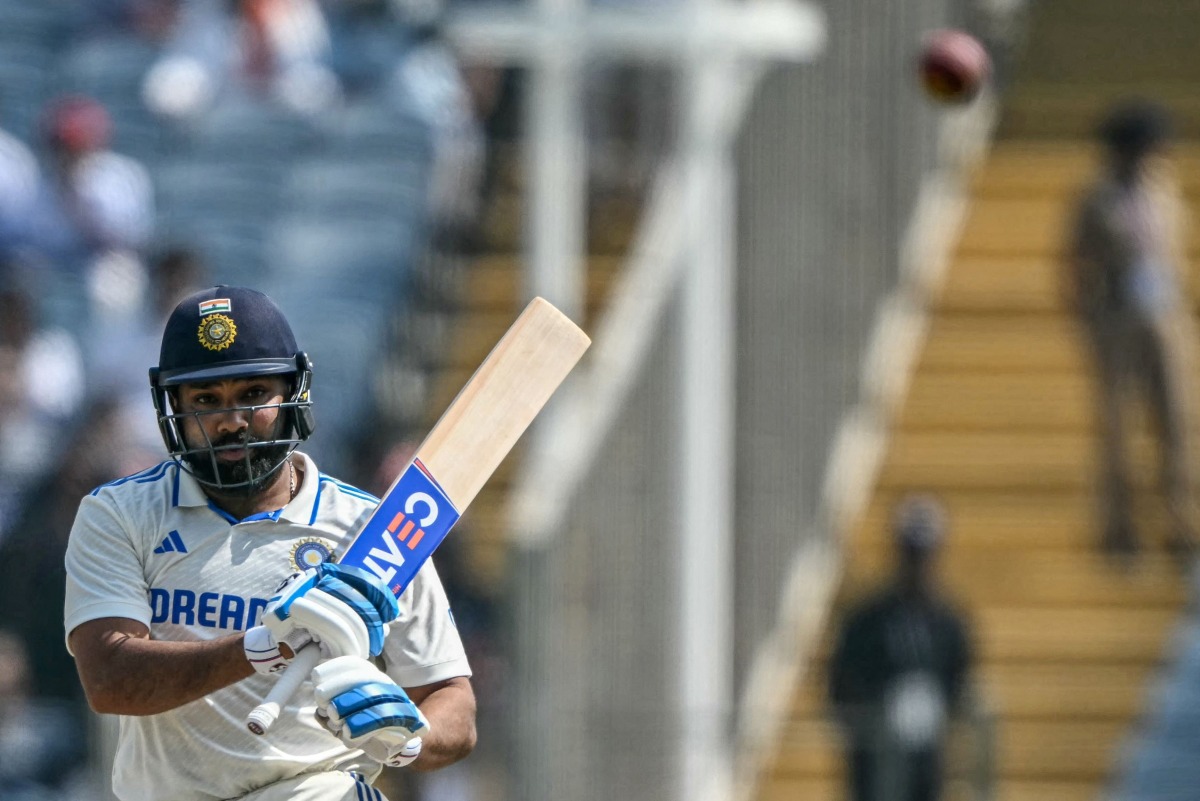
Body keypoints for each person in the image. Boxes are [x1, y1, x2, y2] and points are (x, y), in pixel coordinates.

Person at [64, 285, 477, 800]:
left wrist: (406, 737)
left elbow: (450, 702)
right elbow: (111, 680)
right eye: (207, 400)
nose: (232, 421)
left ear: (292, 395)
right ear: (172, 406)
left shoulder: (370, 529)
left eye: (254, 395)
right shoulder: (120, 514)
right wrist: (262, 646)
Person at [1064, 99, 1199, 564]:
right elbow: (1076, 269)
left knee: (1179, 422)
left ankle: (1182, 522)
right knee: (1119, 429)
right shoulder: (1096, 199)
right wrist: (1092, 324)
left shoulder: (1163, 190)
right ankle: (1120, 529)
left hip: (1165, 314)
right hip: (1119, 317)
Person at [828, 495, 973, 801]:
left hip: (927, 768)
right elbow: (839, 687)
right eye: (911, 556)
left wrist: (939, 709)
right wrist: (878, 713)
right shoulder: (866, 622)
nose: (917, 567)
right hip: (874, 769)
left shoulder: (948, 624)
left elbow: (960, 681)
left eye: (923, 556)